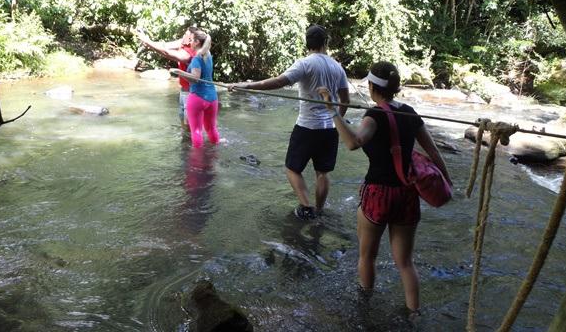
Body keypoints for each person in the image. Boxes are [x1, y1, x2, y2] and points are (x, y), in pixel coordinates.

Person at [319, 62, 452, 316]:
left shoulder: (374, 116)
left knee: (367, 256)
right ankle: (414, 314)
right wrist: (446, 179)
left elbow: (353, 142)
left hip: (378, 194)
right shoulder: (411, 113)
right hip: (408, 194)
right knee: (405, 263)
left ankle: (364, 309)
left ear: (371, 86)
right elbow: (432, 151)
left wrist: (332, 110)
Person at [229, 25, 350, 220]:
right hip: (329, 129)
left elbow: (278, 82)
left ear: (307, 42)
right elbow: (345, 100)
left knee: (292, 169)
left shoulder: (305, 63)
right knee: (323, 173)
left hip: (307, 127)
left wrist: (247, 86)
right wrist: (337, 121)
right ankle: (319, 211)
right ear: (325, 43)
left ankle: (306, 207)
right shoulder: (337, 67)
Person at [135, 26, 198, 130]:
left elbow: (166, 52)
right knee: (184, 125)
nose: (183, 36)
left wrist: (147, 41)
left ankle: (198, 145)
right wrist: (147, 41)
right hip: (184, 91)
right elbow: (164, 46)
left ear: (191, 39)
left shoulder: (189, 53)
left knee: (190, 126)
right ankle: (187, 144)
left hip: (192, 94)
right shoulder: (184, 42)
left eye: (185, 35)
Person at [172, 30, 220, 148]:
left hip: (197, 98)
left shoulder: (197, 59)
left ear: (197, 42)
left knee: (196, 131)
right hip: (212, 98)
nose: (190, 42)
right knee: (211, 129)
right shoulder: (208, 56)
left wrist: (178, 72)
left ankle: (196, 162)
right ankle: (215, 155)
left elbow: (195, 78)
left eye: (192, 40)